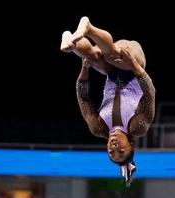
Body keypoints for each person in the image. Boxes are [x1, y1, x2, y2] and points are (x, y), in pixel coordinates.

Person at [61, 16, 156, 185]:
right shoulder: (137, 126)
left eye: (112, 153)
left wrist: (84, 70)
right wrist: (133, 63)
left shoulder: (99, 128)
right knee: (113, 55)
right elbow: (150, 92)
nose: (114, 147)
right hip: (134, 65)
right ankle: (88, 27)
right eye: (121, 150)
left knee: (90, 55)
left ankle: (70, 40)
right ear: (131, 145)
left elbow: (83, 98)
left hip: (111, 72)